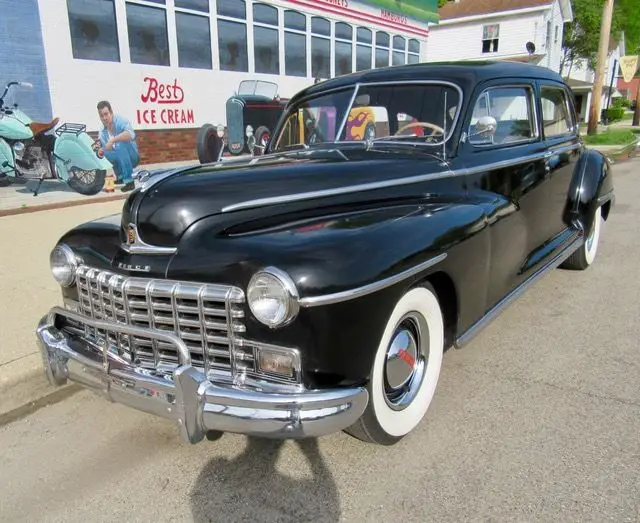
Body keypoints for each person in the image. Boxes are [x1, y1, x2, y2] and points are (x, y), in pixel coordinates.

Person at [95, 100, 139, 192]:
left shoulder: (120, 120)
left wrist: (113, 140)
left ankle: (129, 181)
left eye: (106, 114)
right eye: (101, 116)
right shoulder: (102, 131)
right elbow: (100, 145)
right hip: (120, 156)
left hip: (132, 156)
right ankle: (120, 176)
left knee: (119, 144)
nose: (104, 118)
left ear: (111, 112)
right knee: (104, 153)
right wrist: (95, 150)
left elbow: (130, 135)